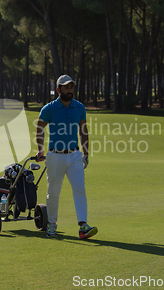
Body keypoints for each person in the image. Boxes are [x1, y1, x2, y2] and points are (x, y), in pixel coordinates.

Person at [35, 75, 98, 239]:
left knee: (79, 190)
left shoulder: (79, 107)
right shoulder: (49, 108)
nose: (70, 90)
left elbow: (83, 131)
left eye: (71, 87)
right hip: (55, 156)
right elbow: (39, 128)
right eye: (66, 87)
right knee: (53, 193)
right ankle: (52, 225)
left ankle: (83, 226)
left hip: (75, 155)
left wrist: (86, 153)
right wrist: (40, 149)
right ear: (58, 90)